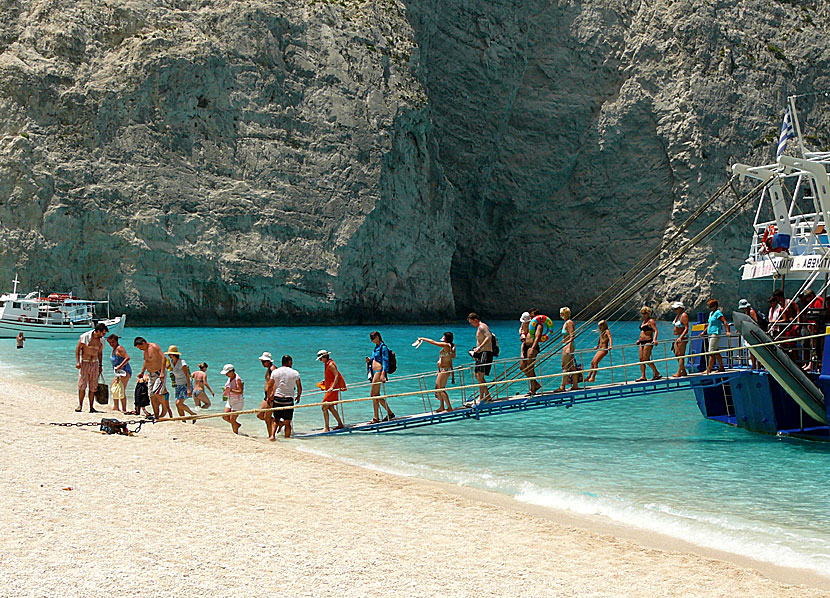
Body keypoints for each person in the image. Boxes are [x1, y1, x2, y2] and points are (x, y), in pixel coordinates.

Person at [415, 332, 456, 412]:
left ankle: (449, 407)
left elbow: (433, 342)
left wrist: (423, 338)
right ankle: (442, 406)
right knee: (438, 389)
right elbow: (451, 358)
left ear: (446, 338)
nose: (443, 338)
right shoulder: (449, 347)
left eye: (444, 337)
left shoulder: (447, 346)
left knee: (441, 389)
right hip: (442, 370)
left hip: (445, 370)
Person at [75, 323, 108, 413]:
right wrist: (78, 362)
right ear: (98, 331)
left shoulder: (101, 340)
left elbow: (100, 353)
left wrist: (101, 365)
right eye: (103, 333)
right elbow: (78, 349)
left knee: (93, 386)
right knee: (82, 385)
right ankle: (80, 405)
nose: (104, 335)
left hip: (95, 363)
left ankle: (91, 407)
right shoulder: (85, 337)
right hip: (85, 362)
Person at [135, 336, 170, 419]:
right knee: (151, 395)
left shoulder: (154, 347)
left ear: (143, 343)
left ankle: (165, 407)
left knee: (156, 392)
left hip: (159, 373)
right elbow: (146, 361)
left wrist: (162, 372)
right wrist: (142, 372)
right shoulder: (145, 351)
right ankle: (156, 416)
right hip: (151, 374)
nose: (140, 350)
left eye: (140, 347)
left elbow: (163, 358)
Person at [270, 355, 302, 439]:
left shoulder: (275, 372)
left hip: (277, 398)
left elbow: (270, 385)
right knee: (287, 422)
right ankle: (287, 439)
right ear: (289, 362)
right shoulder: (295, 373)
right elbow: (299, 387)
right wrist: (298, 396)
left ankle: (272, 436)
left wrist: (270, 396)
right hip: (288, 399)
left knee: (276, 420)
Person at [367, 331, 395, 422]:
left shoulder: (383, 348)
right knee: (376, 395)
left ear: (378, 337)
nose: (372, 340)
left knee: (373, 394)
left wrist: (383, 373)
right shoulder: (376, 348)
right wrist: (369, 361)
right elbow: (374, 359)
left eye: (373, 338)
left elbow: (385, 361)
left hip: (379, 371)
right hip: (375, 371)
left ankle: (376, 417)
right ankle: (390, 413)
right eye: (371, 339)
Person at [467, 313, 494, 404]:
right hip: (481, 353)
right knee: (477, 375)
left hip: (485, 353)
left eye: (471, 322)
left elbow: (488, 337)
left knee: (480, 375)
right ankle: (486, 396)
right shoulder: (479, 328)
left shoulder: (482, 326)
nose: (471, 325)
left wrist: (480, 347)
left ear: (475, 320)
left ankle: (483, 397)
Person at [317, 350, 346, 432]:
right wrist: (325, 381)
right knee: (330, 407)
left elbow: (336, 375)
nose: (320, 360)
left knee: (324, 406)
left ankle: (326, 427)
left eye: (320, 358)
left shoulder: (330, 364)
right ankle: (340, 424)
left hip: (332, 389)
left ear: (325, 357)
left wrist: (332, 387)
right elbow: (331, 376)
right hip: (330, 387)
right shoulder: (327, 364)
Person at [166, 345, 196, 422]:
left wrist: (189, 389)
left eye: (170, 354)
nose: (169, 356)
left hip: (185, 385)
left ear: (174, 354)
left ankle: (193, 414)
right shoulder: (172, 362)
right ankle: (183, 420)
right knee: (178, 405)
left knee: (178, 403)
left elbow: (187, 376)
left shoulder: (182, 363)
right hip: (178, 385)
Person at [700, 299, 730, 374]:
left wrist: (728, 331)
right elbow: (709, 324)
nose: (710, 308)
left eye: (711, 306)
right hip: (710, 333)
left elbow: (725, 322)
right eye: (709, 307)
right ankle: (722, 367)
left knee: (711, 352)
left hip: (715, 334)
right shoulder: (711, 314)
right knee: (716, 351)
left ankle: (709, 369)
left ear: (715, 306)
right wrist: (704, 332)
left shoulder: (718, 313)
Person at [522, 310, 546, 394]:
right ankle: (535, 384)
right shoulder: (529, 324)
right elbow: (523, 332)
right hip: (526, 346)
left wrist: (533, 348)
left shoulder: (538, 325)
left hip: (532, 346)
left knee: (530, 367)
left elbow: (537, 337)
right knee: (522, 367)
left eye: (532, 316)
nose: (531, 318)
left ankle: (532, 389)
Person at [557, 307, 580, 391]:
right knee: (571, 366)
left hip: (568, 346)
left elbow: (572, 336)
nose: (560, 315)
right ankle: (575, 385)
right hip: (566, 345)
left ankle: (562, 387)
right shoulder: (566, 322)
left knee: (564, 366)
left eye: (561, 314)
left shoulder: (569, 322)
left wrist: (569, 348)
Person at [107, 334, 132, 412]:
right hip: (118, 373)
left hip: (125, 372)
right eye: (110, 342)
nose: (111, 344)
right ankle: (116, 406)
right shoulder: (114, 349)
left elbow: (127, 358)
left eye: (113, 342)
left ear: (117, 341)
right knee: (114, 388)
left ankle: (124, 409)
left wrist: (120, 366)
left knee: (121, 390)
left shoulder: (119, 348)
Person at [257, 352, 279, 439]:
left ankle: (271, 435)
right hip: (266, 395)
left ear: (269, 361)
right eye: (262, 361)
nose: (262, 363)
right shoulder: (269, 368)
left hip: (270, 396)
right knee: (260, 415)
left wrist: (271, 396)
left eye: (264, 361)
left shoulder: (273, 369)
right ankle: (278, 423)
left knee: (267, 417)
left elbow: (275, 383)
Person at [635, 306, 660, 382]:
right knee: (641, 359)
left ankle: (657, 373)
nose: (643, 315)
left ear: (648, 313)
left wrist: (655, 339)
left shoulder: (651, 321)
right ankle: (643, 376)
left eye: (644, 313)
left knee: (646, 359)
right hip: (641, 342)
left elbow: (655, 331)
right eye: (642, 313)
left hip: (648, 341)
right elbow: (643, 332)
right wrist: (639, 340)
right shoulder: (644, 321)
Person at [221, 364, 244, 434]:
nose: (226, 375)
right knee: (224, 416)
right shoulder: (229, 378)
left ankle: (235, 434)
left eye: (227, 373)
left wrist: (230, 390)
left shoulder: (238, 379)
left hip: (238, 401)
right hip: (230, 400)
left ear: (231, 371)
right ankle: (236, 425)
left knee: (232, 419)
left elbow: (240, 391)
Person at [737, 299, 759, 370]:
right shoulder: (746, 312)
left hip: (753, 333)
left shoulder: (751, 312)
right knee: (751, 350)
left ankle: (757, 365)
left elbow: (755, 322)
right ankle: (753, 365)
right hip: (749, 333)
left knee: (755, 350)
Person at [670, 302, 690, 377]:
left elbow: (686, 328)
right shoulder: (678, 316)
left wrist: (681, 337)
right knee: (677, 354)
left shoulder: (684, 315)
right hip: (677, 337)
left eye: (676, 308)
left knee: (681, 355)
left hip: (682, 337)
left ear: (681, 308)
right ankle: (683, 371)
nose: (675, 310)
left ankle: (679, 372)